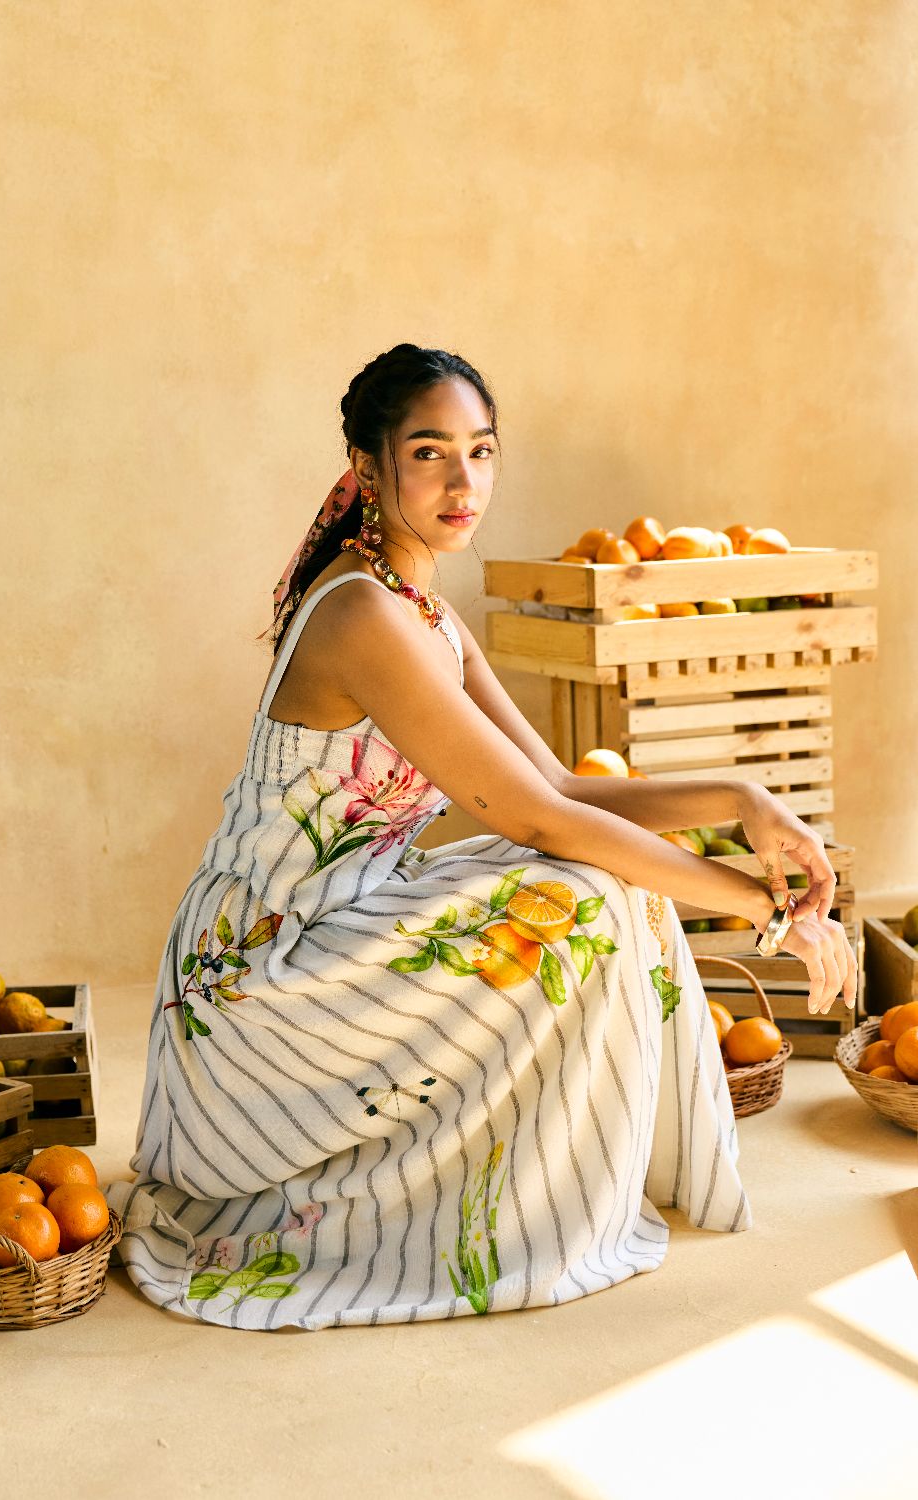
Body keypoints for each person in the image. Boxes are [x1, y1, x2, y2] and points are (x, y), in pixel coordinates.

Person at [105, 342, 857, 1331]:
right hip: (257, 980)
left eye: (483, 451)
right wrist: (766, 908)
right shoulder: (363, 615)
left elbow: (551, 782)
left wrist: (745, 798)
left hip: (347, 922)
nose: (465, 482)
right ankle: (489, 1209)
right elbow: (541, 818)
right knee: (580, 890)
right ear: (367, 470)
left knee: (599, 881)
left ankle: (559, 1176)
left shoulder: (423, 609)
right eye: (430, 453)